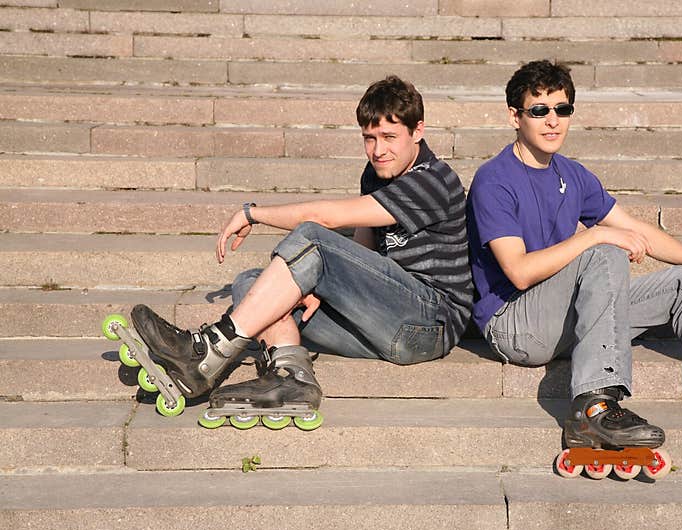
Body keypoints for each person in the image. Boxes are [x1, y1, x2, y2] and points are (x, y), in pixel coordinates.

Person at [466, 60, 682, 453]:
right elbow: (518, 272)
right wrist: (597, 236)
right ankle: (594, 406)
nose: (553, 121)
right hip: (515, 324)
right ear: (515, 117)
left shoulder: (572, 174)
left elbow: (639, 232)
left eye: (562, 109)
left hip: (560, 316)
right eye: (539, 110)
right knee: (604, 250)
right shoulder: (494, 179)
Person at [128, 75, 473, 424]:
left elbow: (321, 219)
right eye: (369, 138)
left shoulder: (433, 180)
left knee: (313, 236)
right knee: (252, 284)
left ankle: (208, 350)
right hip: (386, 319)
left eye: (389, 137)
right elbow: (364, 251)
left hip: (429, 324)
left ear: (418, 132)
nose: (378, 150)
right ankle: (291, 378)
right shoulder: (376, 174)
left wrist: (252, 213)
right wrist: (325, 286)